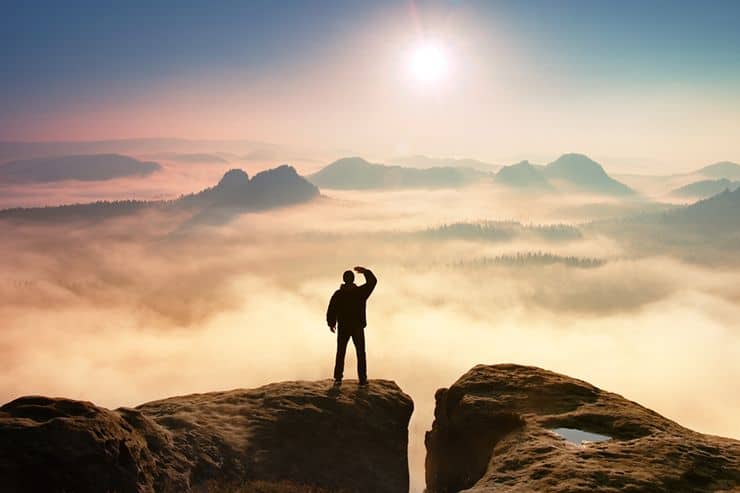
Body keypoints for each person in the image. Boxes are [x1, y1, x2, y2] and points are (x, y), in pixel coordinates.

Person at [326, 266, 377, 385]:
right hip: (357, 326)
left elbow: (331, 309)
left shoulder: (338, 294)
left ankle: (338, 377)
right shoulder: (360, 292)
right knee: (360, 352)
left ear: (344, 280)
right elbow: (372, 282)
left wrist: (331, 323)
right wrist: (365, 272)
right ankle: (362, 378)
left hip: (344, 326)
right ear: (353, 279)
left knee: (341, 351)